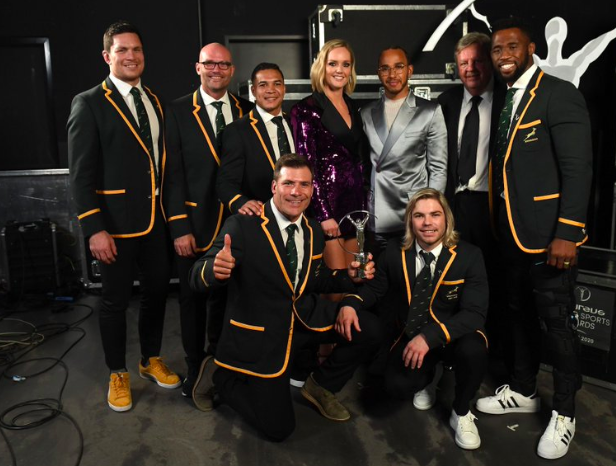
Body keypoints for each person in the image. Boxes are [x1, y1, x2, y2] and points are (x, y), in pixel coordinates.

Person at [189, 154, 382, 441]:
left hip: (301, 320)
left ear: (312, 189)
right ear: (274, 187)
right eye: (288, 183)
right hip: (260, 334)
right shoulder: (242, 226)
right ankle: (221, 378)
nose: (296, 191)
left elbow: (314, 280)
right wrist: (215, 270)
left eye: (304, 184)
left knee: (371, 329)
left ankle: (319, 385)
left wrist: (349, 278)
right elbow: (196, 275)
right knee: (279, 429)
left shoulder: (313, 230)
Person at [475, 17, 593, 460]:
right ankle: (524, 390)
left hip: (549, 240)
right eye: (497, 49)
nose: (503, 54)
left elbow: (579, 169)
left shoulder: (559, 94)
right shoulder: (507, 98)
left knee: (557, 326)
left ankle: (565, 413)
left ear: (530, 50)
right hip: (510, 234)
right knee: (517, 314)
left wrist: (567, 233)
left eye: (511, 47)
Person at [67, 21, 179, 412]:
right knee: (114, 302)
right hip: (113, 226)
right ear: (107, 57)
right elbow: (81, 175)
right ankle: (117, 372)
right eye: (122, 51)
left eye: (136, 50)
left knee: (157, 295)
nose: (130, 56)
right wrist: (94, 229)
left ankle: (149, 360)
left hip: (155, 222)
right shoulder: (89, 102)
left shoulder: (156, 100)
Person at [338, 188, 488, 450]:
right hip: (413, 332)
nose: (427, 222)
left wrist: (430, 337)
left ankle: (461, 412)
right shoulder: (396, 251)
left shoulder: (469, 255)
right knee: (396, 387)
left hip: (452, 336)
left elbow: (474, 313)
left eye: (435, 215)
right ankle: (430, 375)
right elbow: (375, 289)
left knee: (474, 348)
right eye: (419, 215)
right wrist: (350, 303)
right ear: (410, 222)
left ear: (447, 220)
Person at [163, 43, 253, 397]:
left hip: (236, 225)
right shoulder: (178, 111)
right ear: (197, 68)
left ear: (232, 70)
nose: (217, 69)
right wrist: (179, 226)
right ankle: (193, 367)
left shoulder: (247, 110)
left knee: (229, 301)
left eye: (224, 64)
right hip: (195, 225)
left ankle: (221, 367)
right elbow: (171, 175)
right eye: (209, 64)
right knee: (193, 302)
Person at [437, 32, 505, 352]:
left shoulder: (509, 99)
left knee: (492, 277)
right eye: (463, 63)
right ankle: (451, 347)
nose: (471, 68)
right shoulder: (448, 101)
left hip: (492, 205)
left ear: (490, 61)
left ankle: (486, 347)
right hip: (454, 204)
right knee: (451, 277)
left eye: (477, 60)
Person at [361, 46, 447, 255]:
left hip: (412, 210)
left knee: (412, 279)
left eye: (398, 67)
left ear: (409, 70)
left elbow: (438, 168)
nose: (392, 75)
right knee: (380, 277)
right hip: (378, 212)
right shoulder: (364, 113)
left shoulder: (429, 111)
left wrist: (430, 212)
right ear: (378, 73)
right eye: (385, 68)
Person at [291, 39, 367, 272]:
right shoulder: (305, 109)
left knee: (358, 278)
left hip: (355, 207)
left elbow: (359, 161)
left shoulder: (353, 106)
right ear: (321, 67)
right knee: (335, 285)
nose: (339, 70)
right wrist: (323, 215)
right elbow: (307, 167)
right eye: (332, 63)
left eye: (346, 64)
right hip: (328, 207)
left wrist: (364, 206)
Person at [216, 63, 294, 217]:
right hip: (260, 220)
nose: (271, 90)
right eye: (263, 85)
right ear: (253, 90)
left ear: (284, 88)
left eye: (277, 84)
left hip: (300, 217)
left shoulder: (297, 124)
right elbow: (225, 183)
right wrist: (240, 202)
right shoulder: (237, 131)